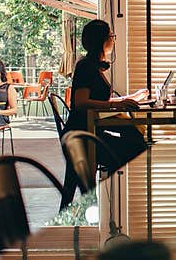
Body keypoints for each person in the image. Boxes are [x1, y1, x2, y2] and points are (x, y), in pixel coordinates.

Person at [63, 19, 148, 173]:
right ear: (102, 40)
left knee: (134, 139)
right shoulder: (85, 66)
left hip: (90, 131)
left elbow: (99, 101)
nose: (113, 39)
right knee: (137, 146)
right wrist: (117, 105)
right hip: (82, 136)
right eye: (111, 36)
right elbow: (81, 102)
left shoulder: (93, 65)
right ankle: (117, 187)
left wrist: (128, 98)